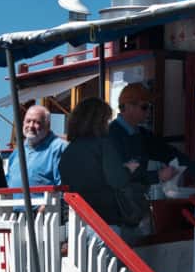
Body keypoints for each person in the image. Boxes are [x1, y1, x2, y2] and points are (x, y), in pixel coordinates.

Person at [59, 97, 148, 232]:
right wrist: (128, 169)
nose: (108, 124)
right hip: (104, 222)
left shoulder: (68, 150)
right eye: (107, 120)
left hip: (76, 222)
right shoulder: (103, 145)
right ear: (98, 121)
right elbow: (117, 180)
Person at [109, 82, 195, 186]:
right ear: (128, 106)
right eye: (144, 107)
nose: (149, 112)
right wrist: (157, 176)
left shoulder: (142, 135)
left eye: (150, 107)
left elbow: (169, 154)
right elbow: (116, 177)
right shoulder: (110, 135)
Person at [6, 103, 66, 188]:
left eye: (37, 122)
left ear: (47, 125)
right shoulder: (18, 152)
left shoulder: (59, 148)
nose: (31, 126)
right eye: (28, 121)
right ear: (23, 123)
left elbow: (64, 187)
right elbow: (9, 180)